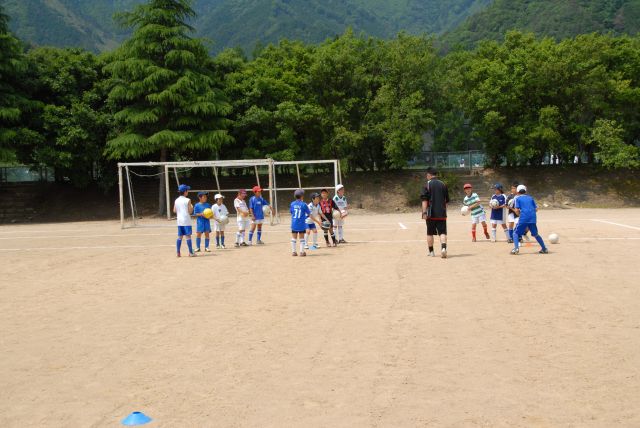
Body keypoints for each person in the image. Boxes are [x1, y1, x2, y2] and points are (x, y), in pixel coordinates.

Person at [420, 167, 450, 258]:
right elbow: (446, 200)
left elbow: (424, 201)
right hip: (441, 213)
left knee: (429, 233)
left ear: (429, 175)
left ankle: (431, 252)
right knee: (442, 232)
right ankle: (443, 248)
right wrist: (443, 211)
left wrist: (424, 213)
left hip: (430, 214)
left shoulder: (427, 185)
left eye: (427, 175)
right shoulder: (443, 184)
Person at [511, 184, 549, 255]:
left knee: (515, 233)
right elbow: (536, 209)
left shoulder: (517, 198)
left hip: (524, 217)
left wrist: (522, 216)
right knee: (535, 234)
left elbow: (516, 210)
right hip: (533, 218)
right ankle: (544, 248)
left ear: (518, 191)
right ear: (525, 191)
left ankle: (516, 249)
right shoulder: (531, 198)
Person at [173, 184, 195, 257]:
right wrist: (192, 207)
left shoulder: (176, 200)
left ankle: (178, 253)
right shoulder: (188, 200)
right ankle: (191, 252)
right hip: (186, 220)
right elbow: (190, 211)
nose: (187, 191)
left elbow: (174, 210)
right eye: (187, 190)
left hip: (179, 221)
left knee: (180, 237)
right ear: (185, 192)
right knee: (188, 236)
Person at [290, 189, 311, 256]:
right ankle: (302, 252)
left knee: (294, 238)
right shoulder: (304, 204)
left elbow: (291, 212)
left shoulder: (292, 204)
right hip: (301, 224)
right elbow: (309, 214)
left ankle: (294, 252)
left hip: (294, 223)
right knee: (302, 238)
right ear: (302, 196)